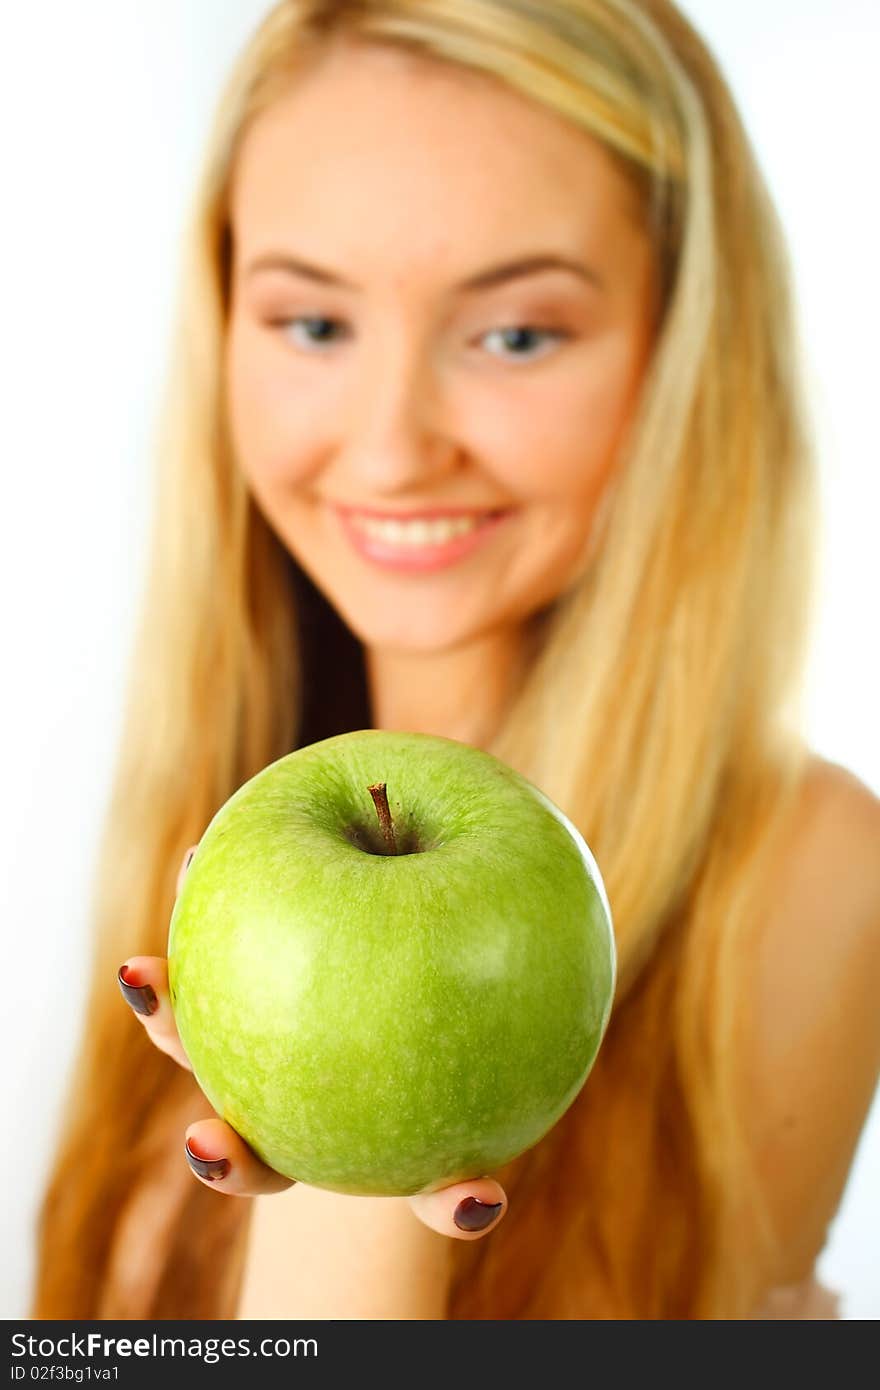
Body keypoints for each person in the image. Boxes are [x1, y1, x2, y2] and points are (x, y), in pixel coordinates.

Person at [31, 0, 880, 1320]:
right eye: (314, 324)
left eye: (516, 333)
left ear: (684, 356)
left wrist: (355, 1179)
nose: (390, 447)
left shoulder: (807, 872)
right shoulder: (209, 796)